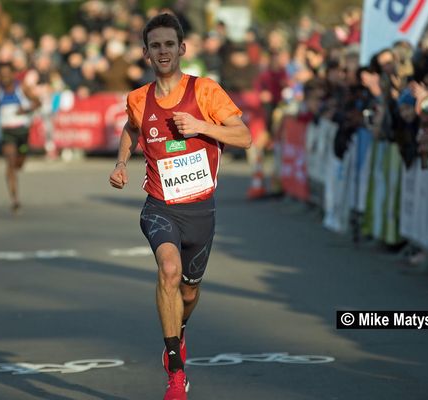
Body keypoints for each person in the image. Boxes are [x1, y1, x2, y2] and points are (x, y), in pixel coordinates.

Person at [109, 13, 251, 400]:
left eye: (169, 44)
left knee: (188, 293)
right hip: (159, 207)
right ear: (146, 53)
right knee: (167, 272)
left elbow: (245, 136)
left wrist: (203, 127)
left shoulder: (205, 91)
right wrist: (122, 163)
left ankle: (179, 330)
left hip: (200, 212)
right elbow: (131, 128)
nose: (163, 51)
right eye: (155, 46)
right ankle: (175, 370)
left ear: (182, 48)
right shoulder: (138, 98)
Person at [0, 63, 40, 213]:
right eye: (2, 74)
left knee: (19, 163)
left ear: (13, 75)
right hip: (7, 132)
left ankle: (21, 158)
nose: (5, 77)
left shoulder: (22, 88)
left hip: (22, 131)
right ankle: (15, 198)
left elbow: (38, 102)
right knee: (10, 164)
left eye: (7, 74)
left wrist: (25, 109)